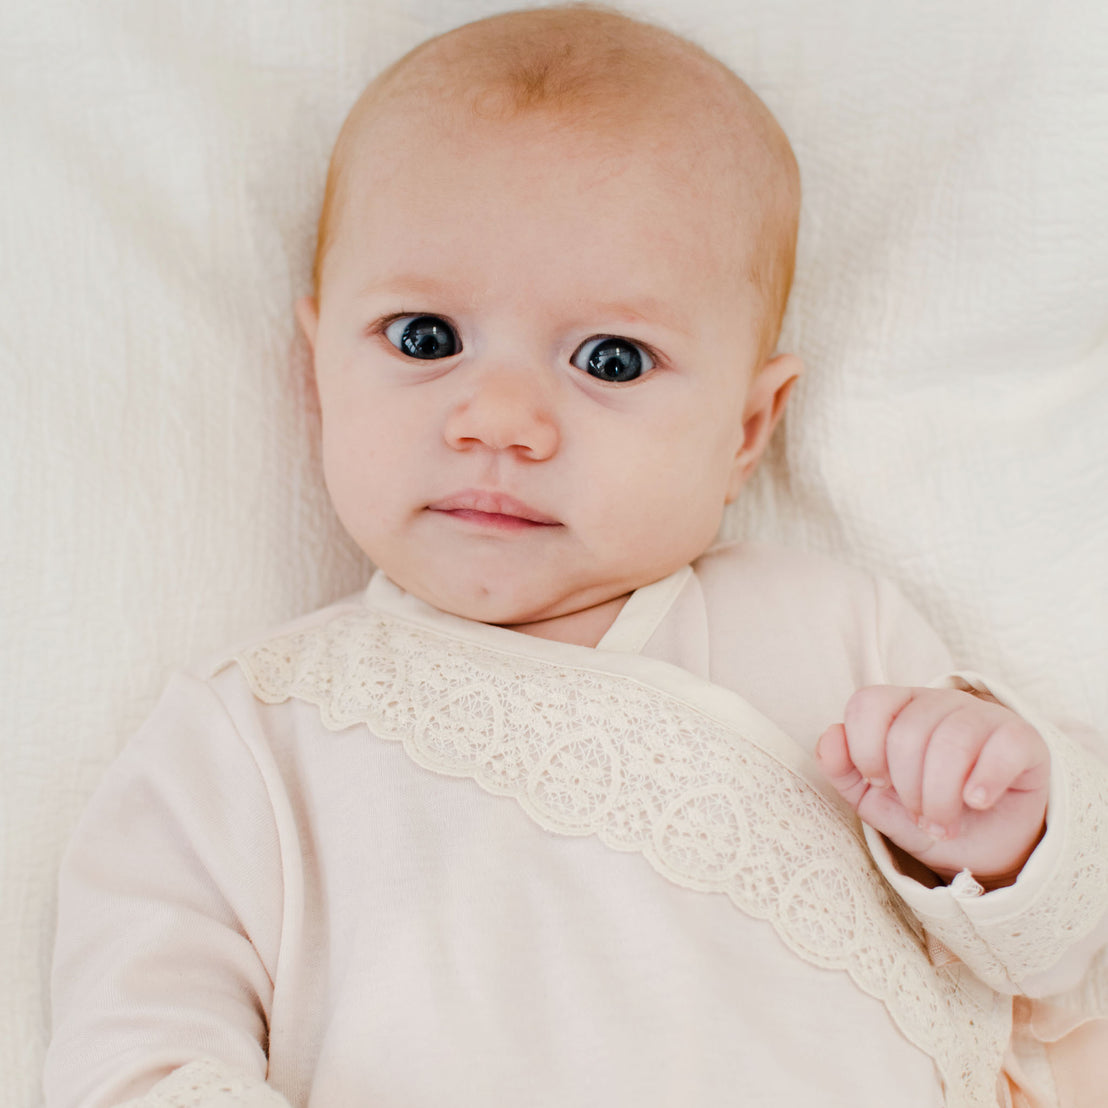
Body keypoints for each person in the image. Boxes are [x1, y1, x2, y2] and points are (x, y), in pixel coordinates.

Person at [44, 6, 1108, 1107]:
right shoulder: (250, 738)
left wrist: (1001, 836)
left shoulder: (838, 632)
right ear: (317, 372)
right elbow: (134, 1056)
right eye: (424, 338)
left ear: (746, 431)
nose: (499, 419)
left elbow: (1052, 955)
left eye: (609, 359)